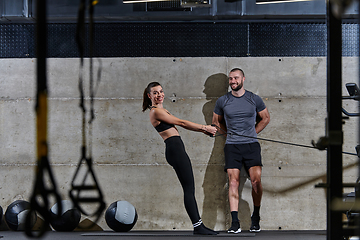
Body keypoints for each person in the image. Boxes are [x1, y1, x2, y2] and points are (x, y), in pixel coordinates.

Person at [142, 81, 219, 235]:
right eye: (155, 93)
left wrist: (203, 131)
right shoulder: (156, 111)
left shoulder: (163, 110)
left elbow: (178, 124)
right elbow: (182, 123)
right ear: (149, 95)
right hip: (175, 150)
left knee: (189, 188)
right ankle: (198, 226)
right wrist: (205, 128)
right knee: (188, 189)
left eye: (161, 91)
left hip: (176, 149)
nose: (159, 95)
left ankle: (199, 226)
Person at [212, 68, 270, 233]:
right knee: (233, 182)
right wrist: (228, 133)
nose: (233, 81)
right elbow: (215, 122)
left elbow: (265, 118)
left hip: (251, 145)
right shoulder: (222, 101)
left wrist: (252, 133)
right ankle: (235, 222)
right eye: (230, 79)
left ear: (243, 78)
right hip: (232, 146)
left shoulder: (254, 99)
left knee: (256, 182)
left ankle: (256, 216)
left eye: (236, 78)